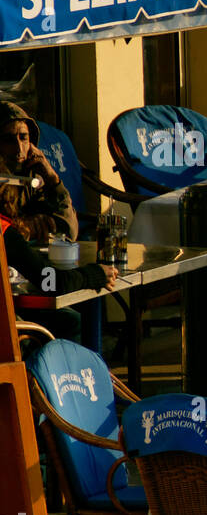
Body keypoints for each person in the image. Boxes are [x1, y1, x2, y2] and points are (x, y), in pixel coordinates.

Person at [2, 210, 117, 339]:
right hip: (6, 332)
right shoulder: (4, 232)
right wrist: (95, 274)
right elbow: (52, 282)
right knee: (72, 321)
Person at [0, 102, 78, 242]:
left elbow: (68, 231)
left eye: (23, 137)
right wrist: (23, 228)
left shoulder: (32, 178)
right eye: (9, 140)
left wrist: (52, 178)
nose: (19, 149)